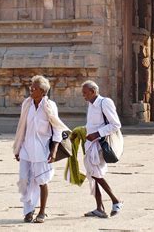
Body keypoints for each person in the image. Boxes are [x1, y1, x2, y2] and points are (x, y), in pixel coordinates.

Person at [13, 75, 69, 223]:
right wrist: (18, 148)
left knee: (41, 181)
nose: (31, 89)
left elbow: (57, 129)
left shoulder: (50, 106)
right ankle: (28, 211)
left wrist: (54, 150)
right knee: (24, 180)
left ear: (43, 91)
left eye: (35, 87)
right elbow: (22, 127)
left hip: (42, 149)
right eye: (31, 86)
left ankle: (42, 212)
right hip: (26, 148)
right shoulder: (27, 104)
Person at [81, 80, 123, 218]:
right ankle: (99, 208)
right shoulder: (91, 105)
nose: (84, 96)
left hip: (100, 143)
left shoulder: (104, 102)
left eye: (85, 93)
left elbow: (115, 124)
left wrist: (97, 134)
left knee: (95, 173)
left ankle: (116, 200)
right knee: (93, 176)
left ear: (93, 91)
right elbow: (92, 124)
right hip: (90, 144)